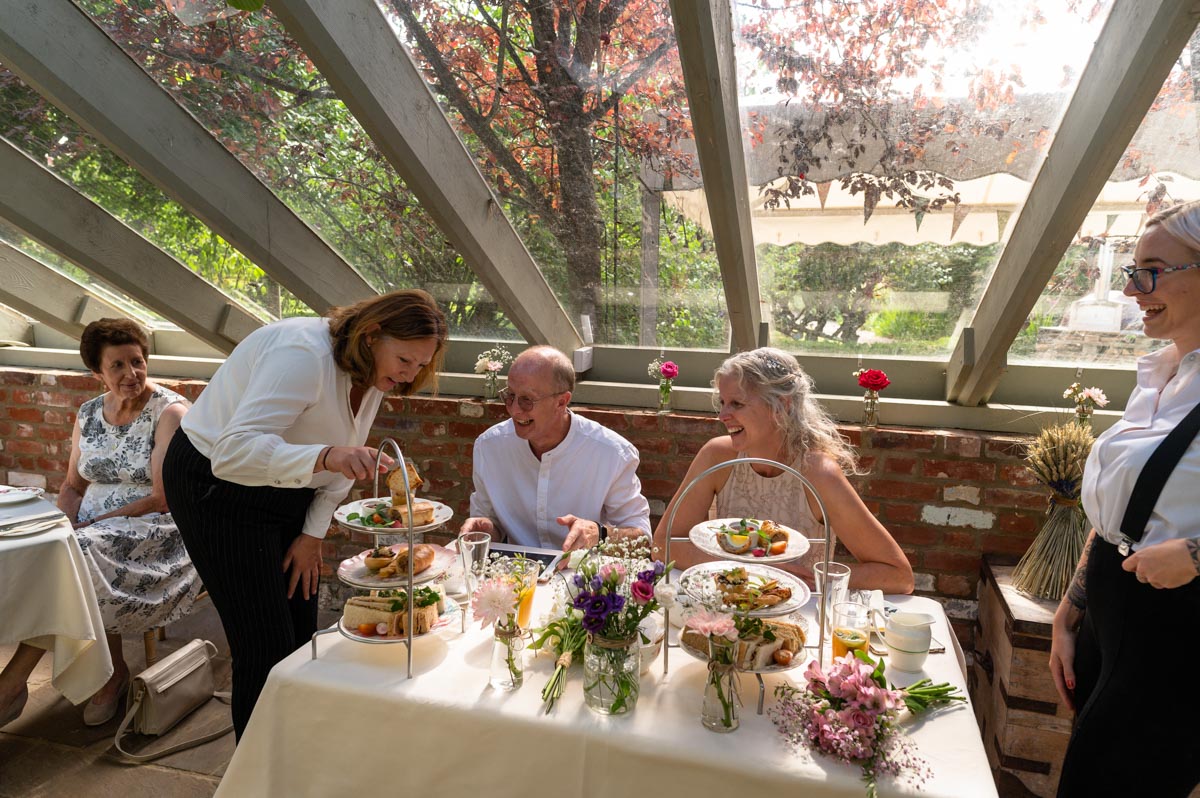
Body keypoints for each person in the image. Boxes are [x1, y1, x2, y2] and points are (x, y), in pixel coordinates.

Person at [161, 289, 447, 740]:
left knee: (299, 636)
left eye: (421, 365)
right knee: (263, 645)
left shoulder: (372, 372)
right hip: (216, 488)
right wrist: (329, 455)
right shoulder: (302, 354)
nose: (411, 376)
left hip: (286, 485)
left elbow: (346, 453)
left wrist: (313, 534)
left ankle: (296, 756)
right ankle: (258, 775)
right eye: (406, 360)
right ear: (372, 336)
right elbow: (232, 454)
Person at [1050, 202, 1200, 797]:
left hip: (1177, 627)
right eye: (1134, 272)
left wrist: (1196, 553)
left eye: (1152, 271)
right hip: (1112, 611)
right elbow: (1119, 514)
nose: (1134, 289)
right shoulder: (1161, 376)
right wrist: (1072, 608)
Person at [0, 318, 198, 728]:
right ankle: (111, 670)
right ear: (97, 373)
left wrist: (91, 528)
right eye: (118, 367)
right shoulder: (89, 413)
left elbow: (162, 498)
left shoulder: (170, 412)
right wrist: (65, 524)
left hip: (158, 531)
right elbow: (72, 486)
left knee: (77, 555)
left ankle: (11, 684)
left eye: (138, 362)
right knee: (58, 549)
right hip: (94, 531)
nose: (132, 374)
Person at [652, 347, 913, 593]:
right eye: (722, 402)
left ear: (783, 406)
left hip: (797, 618)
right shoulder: (717, 456)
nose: (722, 415)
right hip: (726, 610)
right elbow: (661, 545)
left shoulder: (818, 473)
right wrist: (756, 569)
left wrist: (812, 577)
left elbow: (899, 576)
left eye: (737, 404)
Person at [462, 346, 651, 551]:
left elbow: (643, 541)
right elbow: (489, 523)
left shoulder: (612, 453)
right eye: (510, 395)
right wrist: (486, 529)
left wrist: (600, 534)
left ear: (561, 402)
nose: (514, 409)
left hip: (583, 576)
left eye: (527, 400)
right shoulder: (489, 447)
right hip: (512, 577)